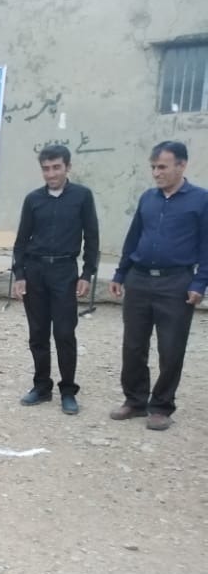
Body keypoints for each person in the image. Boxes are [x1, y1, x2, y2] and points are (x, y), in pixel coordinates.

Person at [109, 141, 208, 431]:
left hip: (176, 283)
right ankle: (135, 401)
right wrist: (120, 274)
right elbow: (133, 237)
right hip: (139, 280)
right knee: (133, 345)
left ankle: (162, 406)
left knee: (171, 348)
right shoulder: (147, 199)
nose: (156, 173)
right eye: (153, 167)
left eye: (162, 167)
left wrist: (200, 282)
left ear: (181, 165)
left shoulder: (201, 200)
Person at [12, 144, 100, 415]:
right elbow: (20, 241)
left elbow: (92, 238)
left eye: (56, 168)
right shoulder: (33, 200)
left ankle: (68, 390)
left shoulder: (82, 197)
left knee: (64, 333)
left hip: (64, 273)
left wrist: (87, 274)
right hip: (35, 271)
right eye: (46, 169)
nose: (51, 174)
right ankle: (41, 386)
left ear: (67, 167)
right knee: (37, 333)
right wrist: (19, 275)